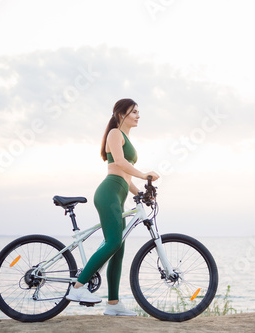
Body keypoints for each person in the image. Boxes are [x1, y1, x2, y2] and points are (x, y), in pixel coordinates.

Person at [66, 98, 160, 316]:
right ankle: (78, 288)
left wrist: (141, 194)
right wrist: (145, 173)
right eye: (134, 111)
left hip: (119, 193)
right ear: (121, 114)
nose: (138, 115)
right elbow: (119, 162)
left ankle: (113, 304)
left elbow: (125, 177)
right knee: (113, 242)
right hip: (108, 192)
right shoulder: (115, 133)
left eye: (139, 112)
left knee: (119, 248)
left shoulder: (125, 137)